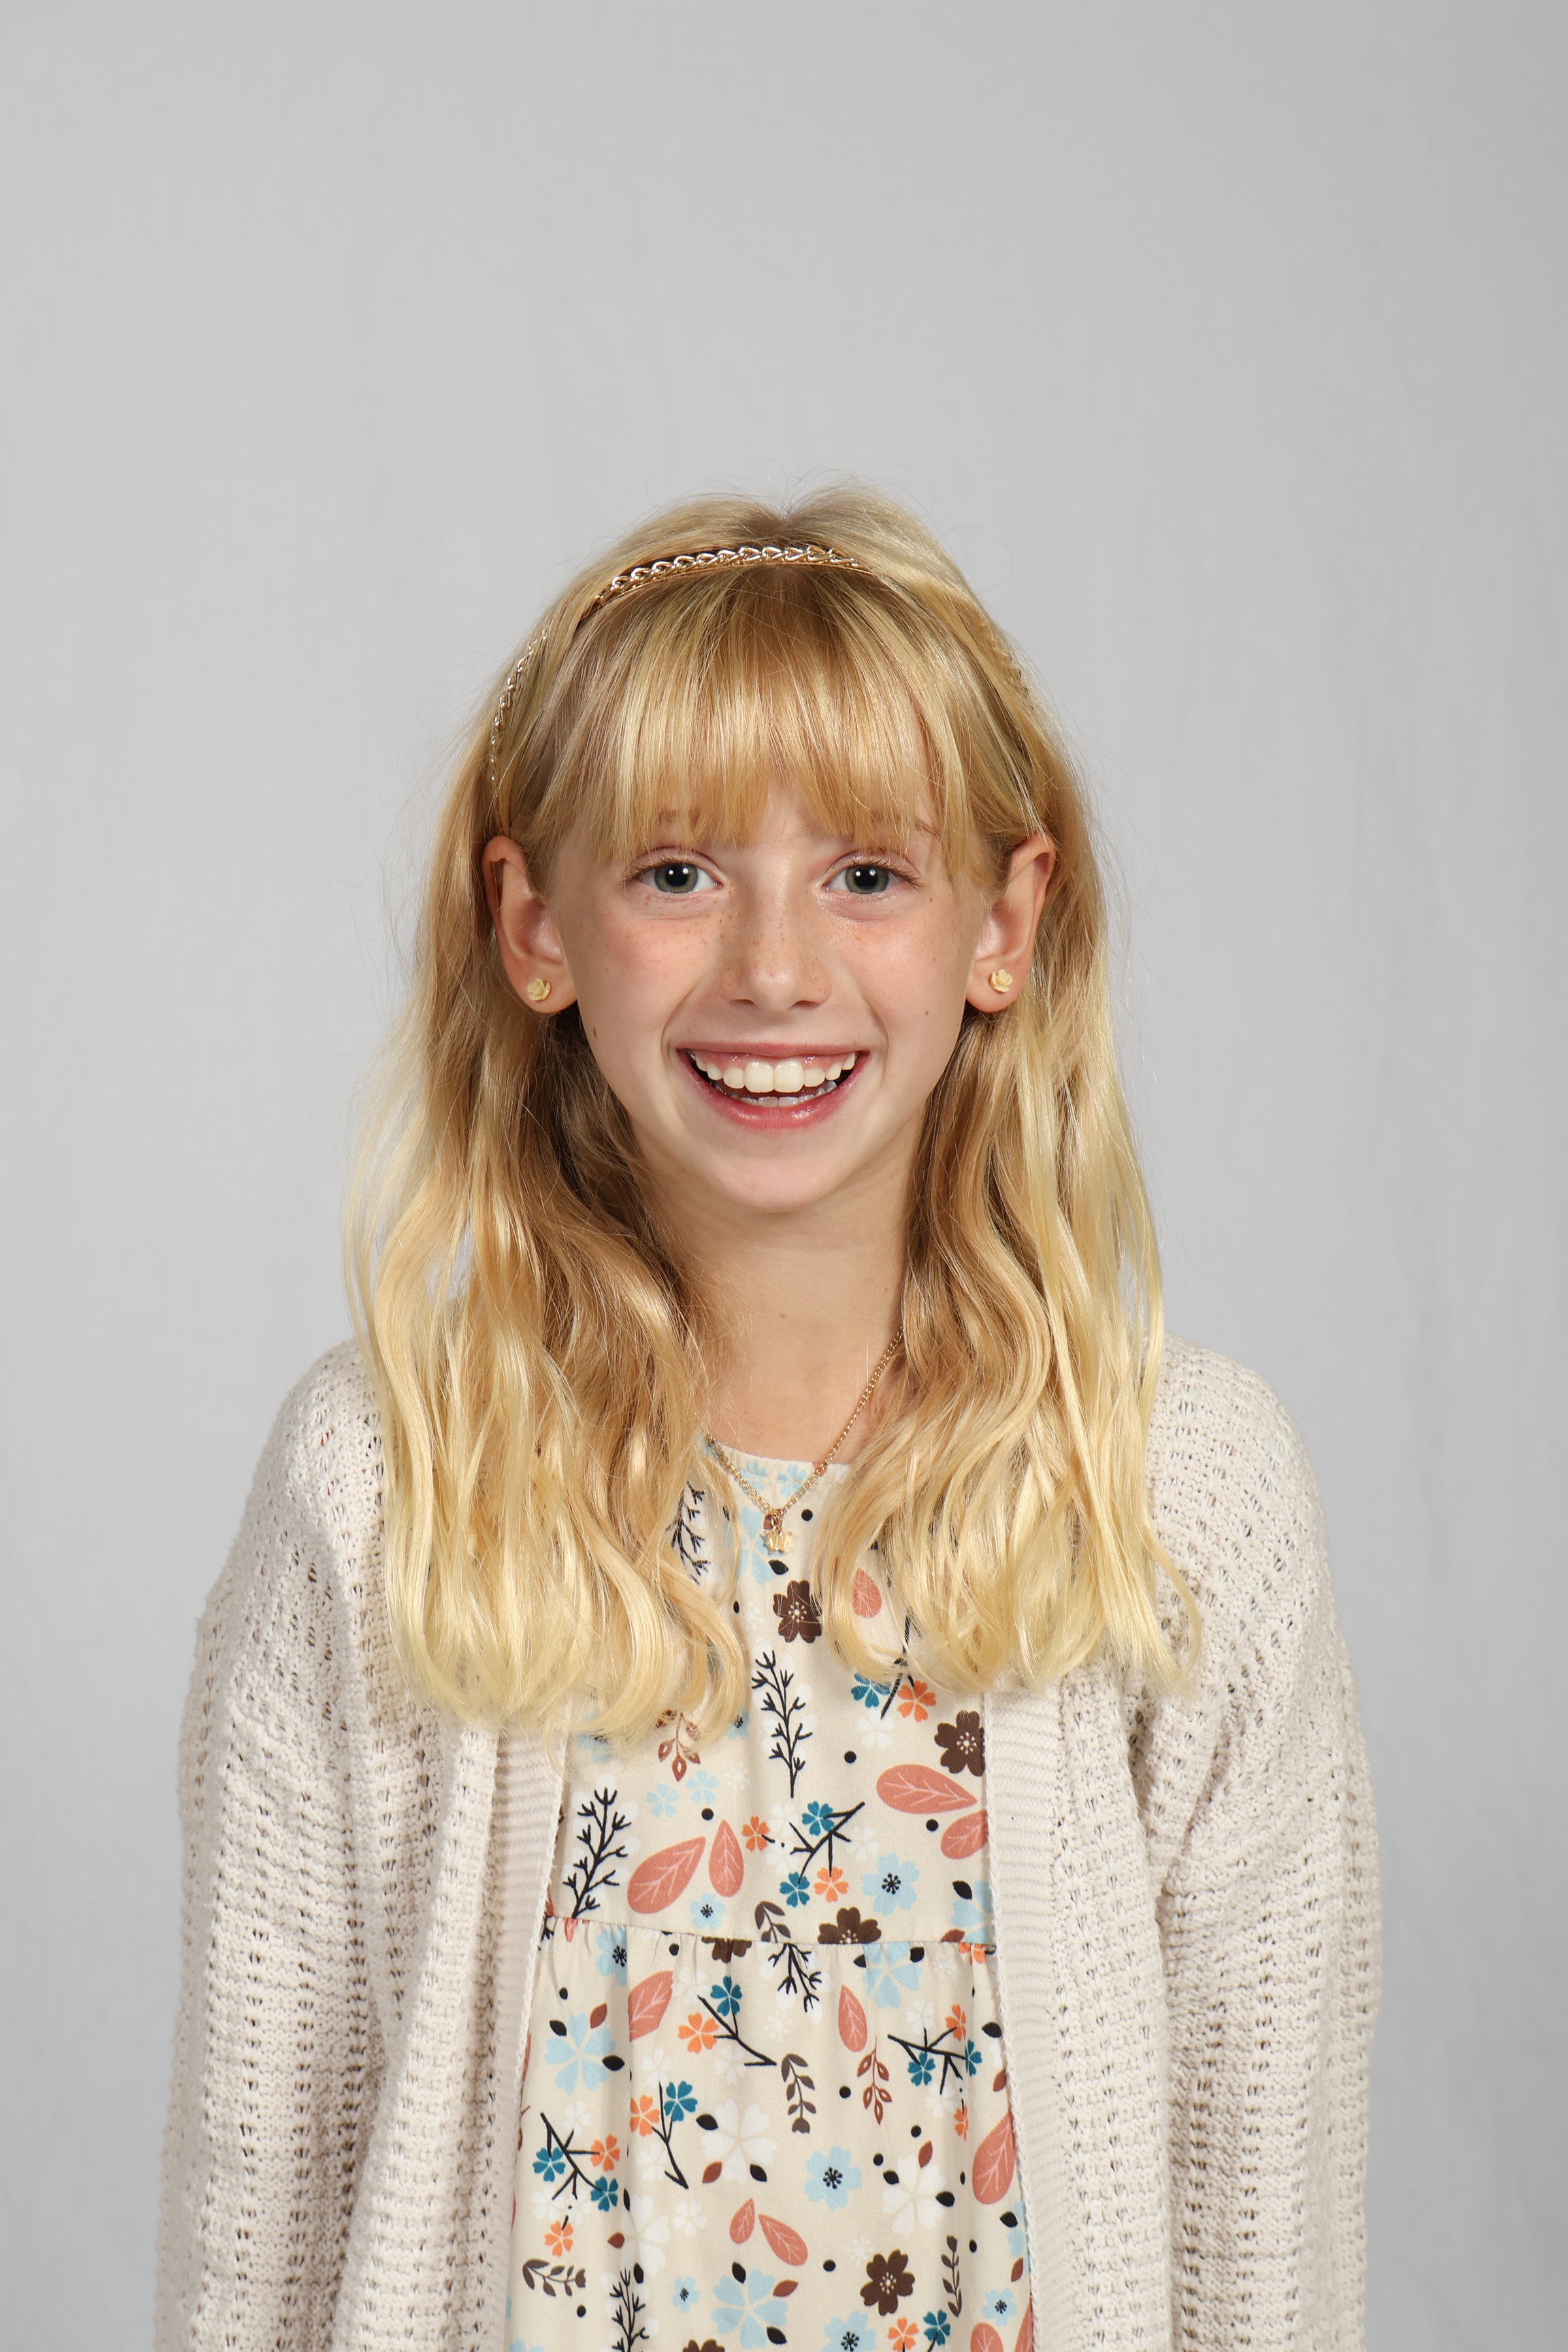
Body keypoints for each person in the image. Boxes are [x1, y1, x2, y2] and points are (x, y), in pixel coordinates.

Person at [155, 491, 1380, 2352]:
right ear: (534, 926)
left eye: (867, 875)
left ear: (1005, 924)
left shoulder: (1179, 1494)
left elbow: (1256, 2214)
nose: (774, 968)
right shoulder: (395, 1481)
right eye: (677, 873)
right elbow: (267, 2185)